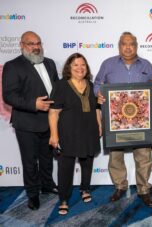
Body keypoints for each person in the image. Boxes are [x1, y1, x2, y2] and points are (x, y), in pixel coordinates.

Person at [94, 32, 152, 207]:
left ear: (136, 46)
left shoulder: (146, 65)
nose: (128, 47)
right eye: (124, 44)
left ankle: (144, 189)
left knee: (144, 156)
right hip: (116, 122)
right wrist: (98, 94)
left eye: (131, 44)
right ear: (119, 46)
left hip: (141, 121)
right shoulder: (108, 64)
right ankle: (120, 186)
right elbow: (97, 84)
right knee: (115, 156)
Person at [2, 31, 58, 210]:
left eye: (38, 43)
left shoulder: (49, 63)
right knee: (29, 161)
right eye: (31, 43)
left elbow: (56, 87)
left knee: (47, 157)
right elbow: (9, 96)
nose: (35, 47)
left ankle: (48, 185)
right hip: (26, 122)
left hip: (49, 120)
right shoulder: (12, 66)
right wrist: (33, 104)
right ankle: (33, 194)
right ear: (22, 45)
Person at [48, 53, 101, 215]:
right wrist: (54, 135)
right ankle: (64, 198)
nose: (80, 68)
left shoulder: (92, 85)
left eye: (83, 65)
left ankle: (85, 189)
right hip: (68, 133)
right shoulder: (61, 86)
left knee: (87, 163)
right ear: (68, 68)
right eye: (76, 65)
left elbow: (97, 108)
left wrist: (100, 125)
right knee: (65, 167)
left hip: (89, 131)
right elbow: (53, 113)